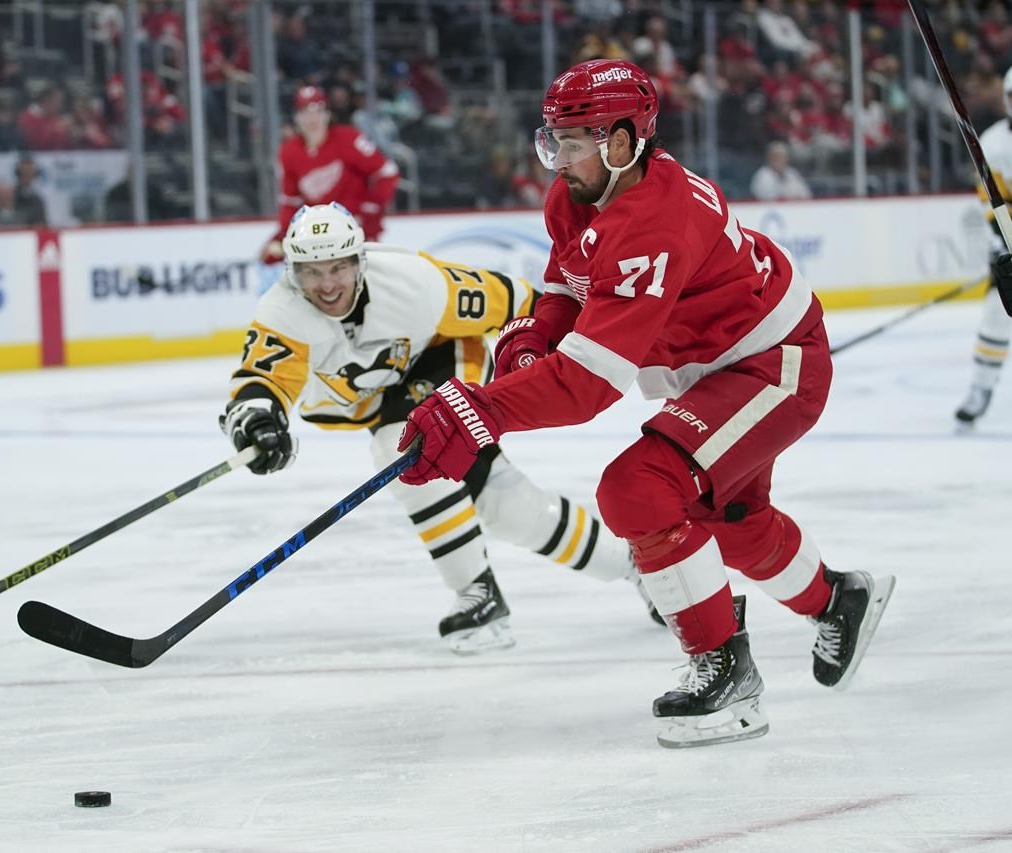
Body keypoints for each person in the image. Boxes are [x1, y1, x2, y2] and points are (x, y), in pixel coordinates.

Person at [395, 60, 896, 748]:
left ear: (624, 142)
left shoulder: (655, 220)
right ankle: (839, 600)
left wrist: (479, 410)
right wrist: (536, 335)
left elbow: (588, 384)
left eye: (574, 142)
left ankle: (725, 669)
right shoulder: (579, 193)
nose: (558, 159)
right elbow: (569, 285)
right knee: (731, 521)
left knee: (640, 489)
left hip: (772, 364)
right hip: (715, 366)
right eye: (554, 140)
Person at [224, 203, 660, 654]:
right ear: (293, 273)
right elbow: (262, 380)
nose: (328, 284)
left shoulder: (416, 284)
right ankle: (637, 566)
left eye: (338, 267)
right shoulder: (282, 311)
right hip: (377, 401)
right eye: (313, 272)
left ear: (360, 261)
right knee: (508, 508)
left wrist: (577, 347)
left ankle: (477, 591)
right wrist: (258, 421)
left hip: (442, 363)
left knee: (401, 445)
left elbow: (517, 301)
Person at [259, 86, 400, 265]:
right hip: (318, 235)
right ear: (296, 117)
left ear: (327, 114)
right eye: (305, 112)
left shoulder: (348, 138)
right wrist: (282, 237)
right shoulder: (289, 152)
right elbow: (290, 201)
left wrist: (371, 209)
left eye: (317, 111)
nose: (312, 119)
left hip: (355, 228)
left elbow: (387, 172)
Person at [954, 66, 1012, 428]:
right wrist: (1004, 243)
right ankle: (981, 387)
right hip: (1011, 242)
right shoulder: (993, 144)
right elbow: (993, 206)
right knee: (996, 314)